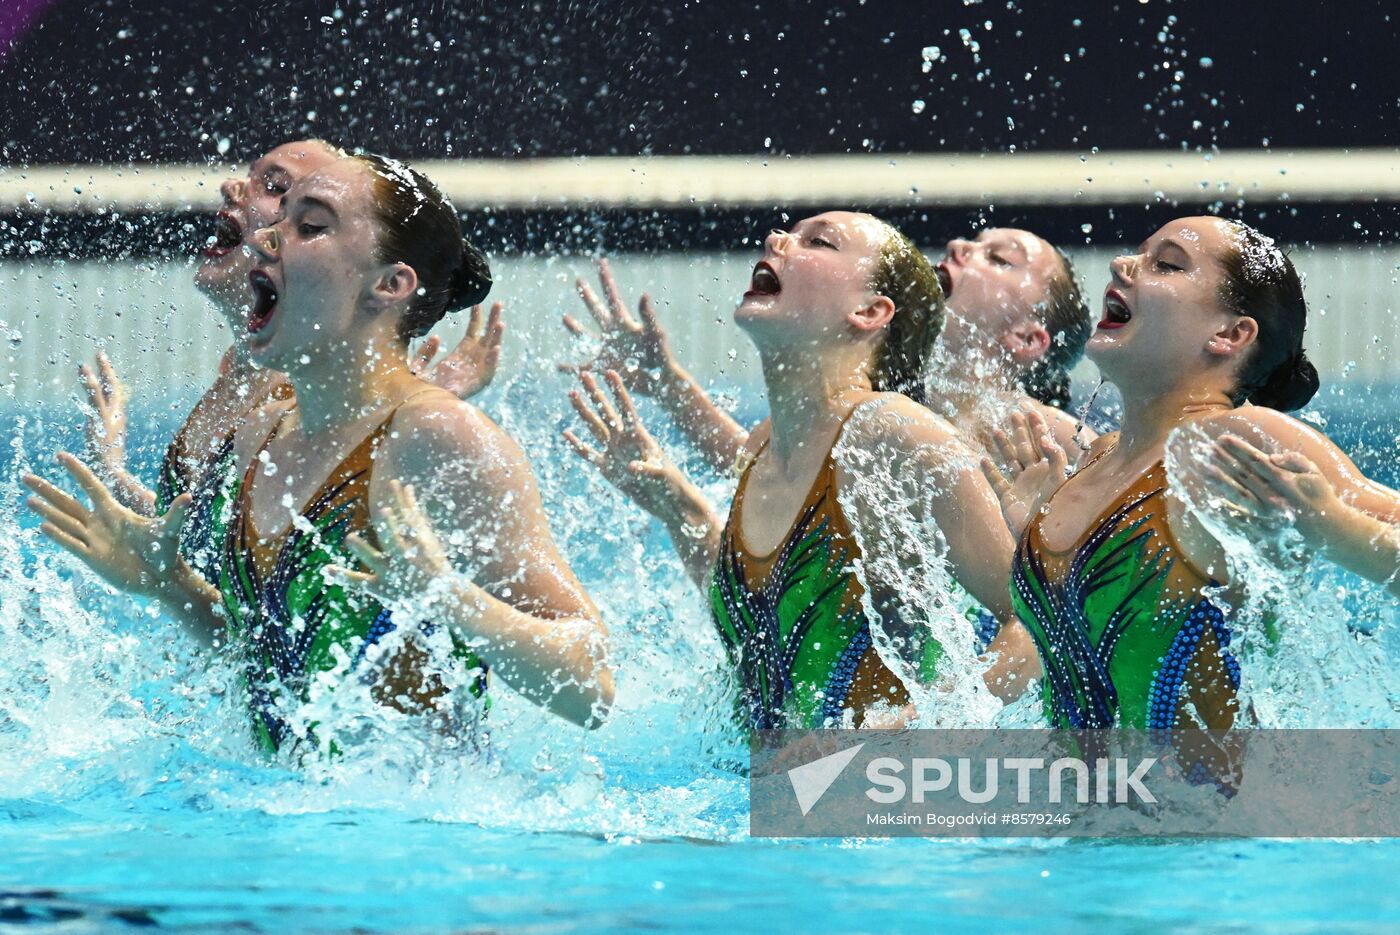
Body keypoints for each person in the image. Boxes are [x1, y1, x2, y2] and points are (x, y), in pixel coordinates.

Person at [25, 153, 613, 754]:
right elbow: (265, 656)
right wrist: (168, 584)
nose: (263, 237)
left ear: (389, 284)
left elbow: (592, 688)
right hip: (288, 823)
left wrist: (448, 597)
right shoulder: (257, 437)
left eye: (311, 226)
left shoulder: (436, 435)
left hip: (419, 837)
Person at [564, 212, 1017, 730]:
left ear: (870, 311)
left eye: (818, 241)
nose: (776, 238)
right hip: (768, 792)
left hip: (876, 794)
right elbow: (761, 624)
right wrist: (677, 505)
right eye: (787, 232)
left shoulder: (896, 437)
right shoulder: (764, 447)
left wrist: (900, 729)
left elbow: (1031, 623)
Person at [980, 217, 1400, 731]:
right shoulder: (1095, 463)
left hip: (1220, 809)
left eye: (1167, 264)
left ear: (1230, 333)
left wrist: (1331, 525)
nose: (1120, 265)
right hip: (1089, 806)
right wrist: (1037, 539)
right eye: (1139, 252)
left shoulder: (1233, 442)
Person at [78, 139, 505, 583]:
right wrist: (110, 472)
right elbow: (207, 546)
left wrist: (415, 408)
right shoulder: (254, 396)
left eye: (277, 189)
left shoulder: (311, 394)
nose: (232, 187)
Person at [559, 227, 1093, 475]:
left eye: (998, 258)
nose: (959, 247)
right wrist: (669, 380)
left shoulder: (1052, 436)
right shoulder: (885, 409)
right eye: (971, 241)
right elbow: (762, 470)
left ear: (1026, 339)